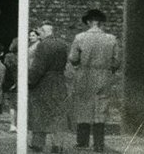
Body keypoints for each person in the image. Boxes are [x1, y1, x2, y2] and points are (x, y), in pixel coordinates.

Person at [69, 9, 120, 153]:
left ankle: (83, 142)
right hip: (104, 76)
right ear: (100, 23)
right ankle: (98, 145)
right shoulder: (111, 39)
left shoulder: (79, 37)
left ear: (89, 22)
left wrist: (81, 65)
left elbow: (73, 59)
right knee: (100, 109)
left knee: (84, 107)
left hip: (84, 76)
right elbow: (117, 62)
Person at [30, 21, 71, 154]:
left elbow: (38, 68)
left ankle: (38, 144)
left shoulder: (42, 45)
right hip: (59, 81)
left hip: (44, 83)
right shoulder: (63, 44)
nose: (38, 35)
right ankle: (57, 145)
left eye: (39, 33)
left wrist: (30, 81)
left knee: (39, 113)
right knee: (58, 113)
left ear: (43, 32)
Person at [3, 38, 19, 133]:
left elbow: (6, 70)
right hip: (20, 81)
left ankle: (13, 125)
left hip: (12, 83)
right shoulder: (25, 55)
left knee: (12, 106)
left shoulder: (8, 56)